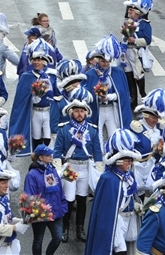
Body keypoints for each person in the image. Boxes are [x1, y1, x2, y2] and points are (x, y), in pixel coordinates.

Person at [85, 129, 142, 255]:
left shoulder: (129, 175)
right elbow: (105, 211)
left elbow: (130, 195)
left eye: (131, 160)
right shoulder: (108, 179)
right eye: (128, 160)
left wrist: (136, 205)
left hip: (129, 219)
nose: (131, 163)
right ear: (118, 160)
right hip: (115, 222)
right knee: (119, 250)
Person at [52, 96, 102, 243]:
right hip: (70, 167)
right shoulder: (64, 129)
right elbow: (57, 151)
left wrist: (99, 171)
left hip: (86, 167)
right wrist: (57, 169)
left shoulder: (92, 131)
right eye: (76, 111)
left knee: (82, 199)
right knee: (69, 199)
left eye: (82, 111)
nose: (79, 114)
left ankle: (80, 229)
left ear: (86, 113)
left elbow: (98, 152)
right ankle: (65, 228)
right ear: (71, 113)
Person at [11, 41, 58, 157]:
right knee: (36, 136)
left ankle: (47, 156)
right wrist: (34, 98)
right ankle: (37, 158)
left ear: (45, 61)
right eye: (35, 60)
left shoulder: (51, 75)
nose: (37, 62)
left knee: (48, 136)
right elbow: (21, 98)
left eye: (40, 60)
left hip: (48, 111)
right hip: (35, 112)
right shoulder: (26, 76)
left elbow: (57, 93)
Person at [85, 36, 132, 143]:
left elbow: (123, 93)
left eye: (107, 61)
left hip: (111, 108)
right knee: (97, 135)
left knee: (114, 135)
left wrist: (110, 97)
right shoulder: (91, 74)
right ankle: (99, 157)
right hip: (98, 110)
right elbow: (87, 95)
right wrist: (98, 97)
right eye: (102, 61)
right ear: (97, 61)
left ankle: (112, 155)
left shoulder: (118, 72)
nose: (105, 64)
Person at [23, 144, 68, 255]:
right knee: (38, 240)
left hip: (55, 211)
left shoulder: (52, 170)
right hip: (41, 213)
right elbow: (29, 195)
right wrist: (37, 211)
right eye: (48, 155)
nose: (51, 156)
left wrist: (63, 206)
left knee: (57, 238)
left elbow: (60, 190)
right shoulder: (32, 174)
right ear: (41, 157)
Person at [130, 88, 165, 196]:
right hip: (140, 170)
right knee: (138, 197)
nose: (155, 120)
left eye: (157, 117)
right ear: (145, 115)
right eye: (152, 117)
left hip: (155, 169)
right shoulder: (137, 128)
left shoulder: (160, 127)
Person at [121, 0, 154, 109]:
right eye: (129, 9)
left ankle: (144, 96)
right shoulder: (128, 22)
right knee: (128, 75)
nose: (129, 11)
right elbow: (124, 38)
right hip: (127, 53)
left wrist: (134, 41)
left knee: (138, 76)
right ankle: (133, 98)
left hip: (136, 53)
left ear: (138, 12)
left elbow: (147, 40)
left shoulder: (145, 24)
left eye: (132, 10)